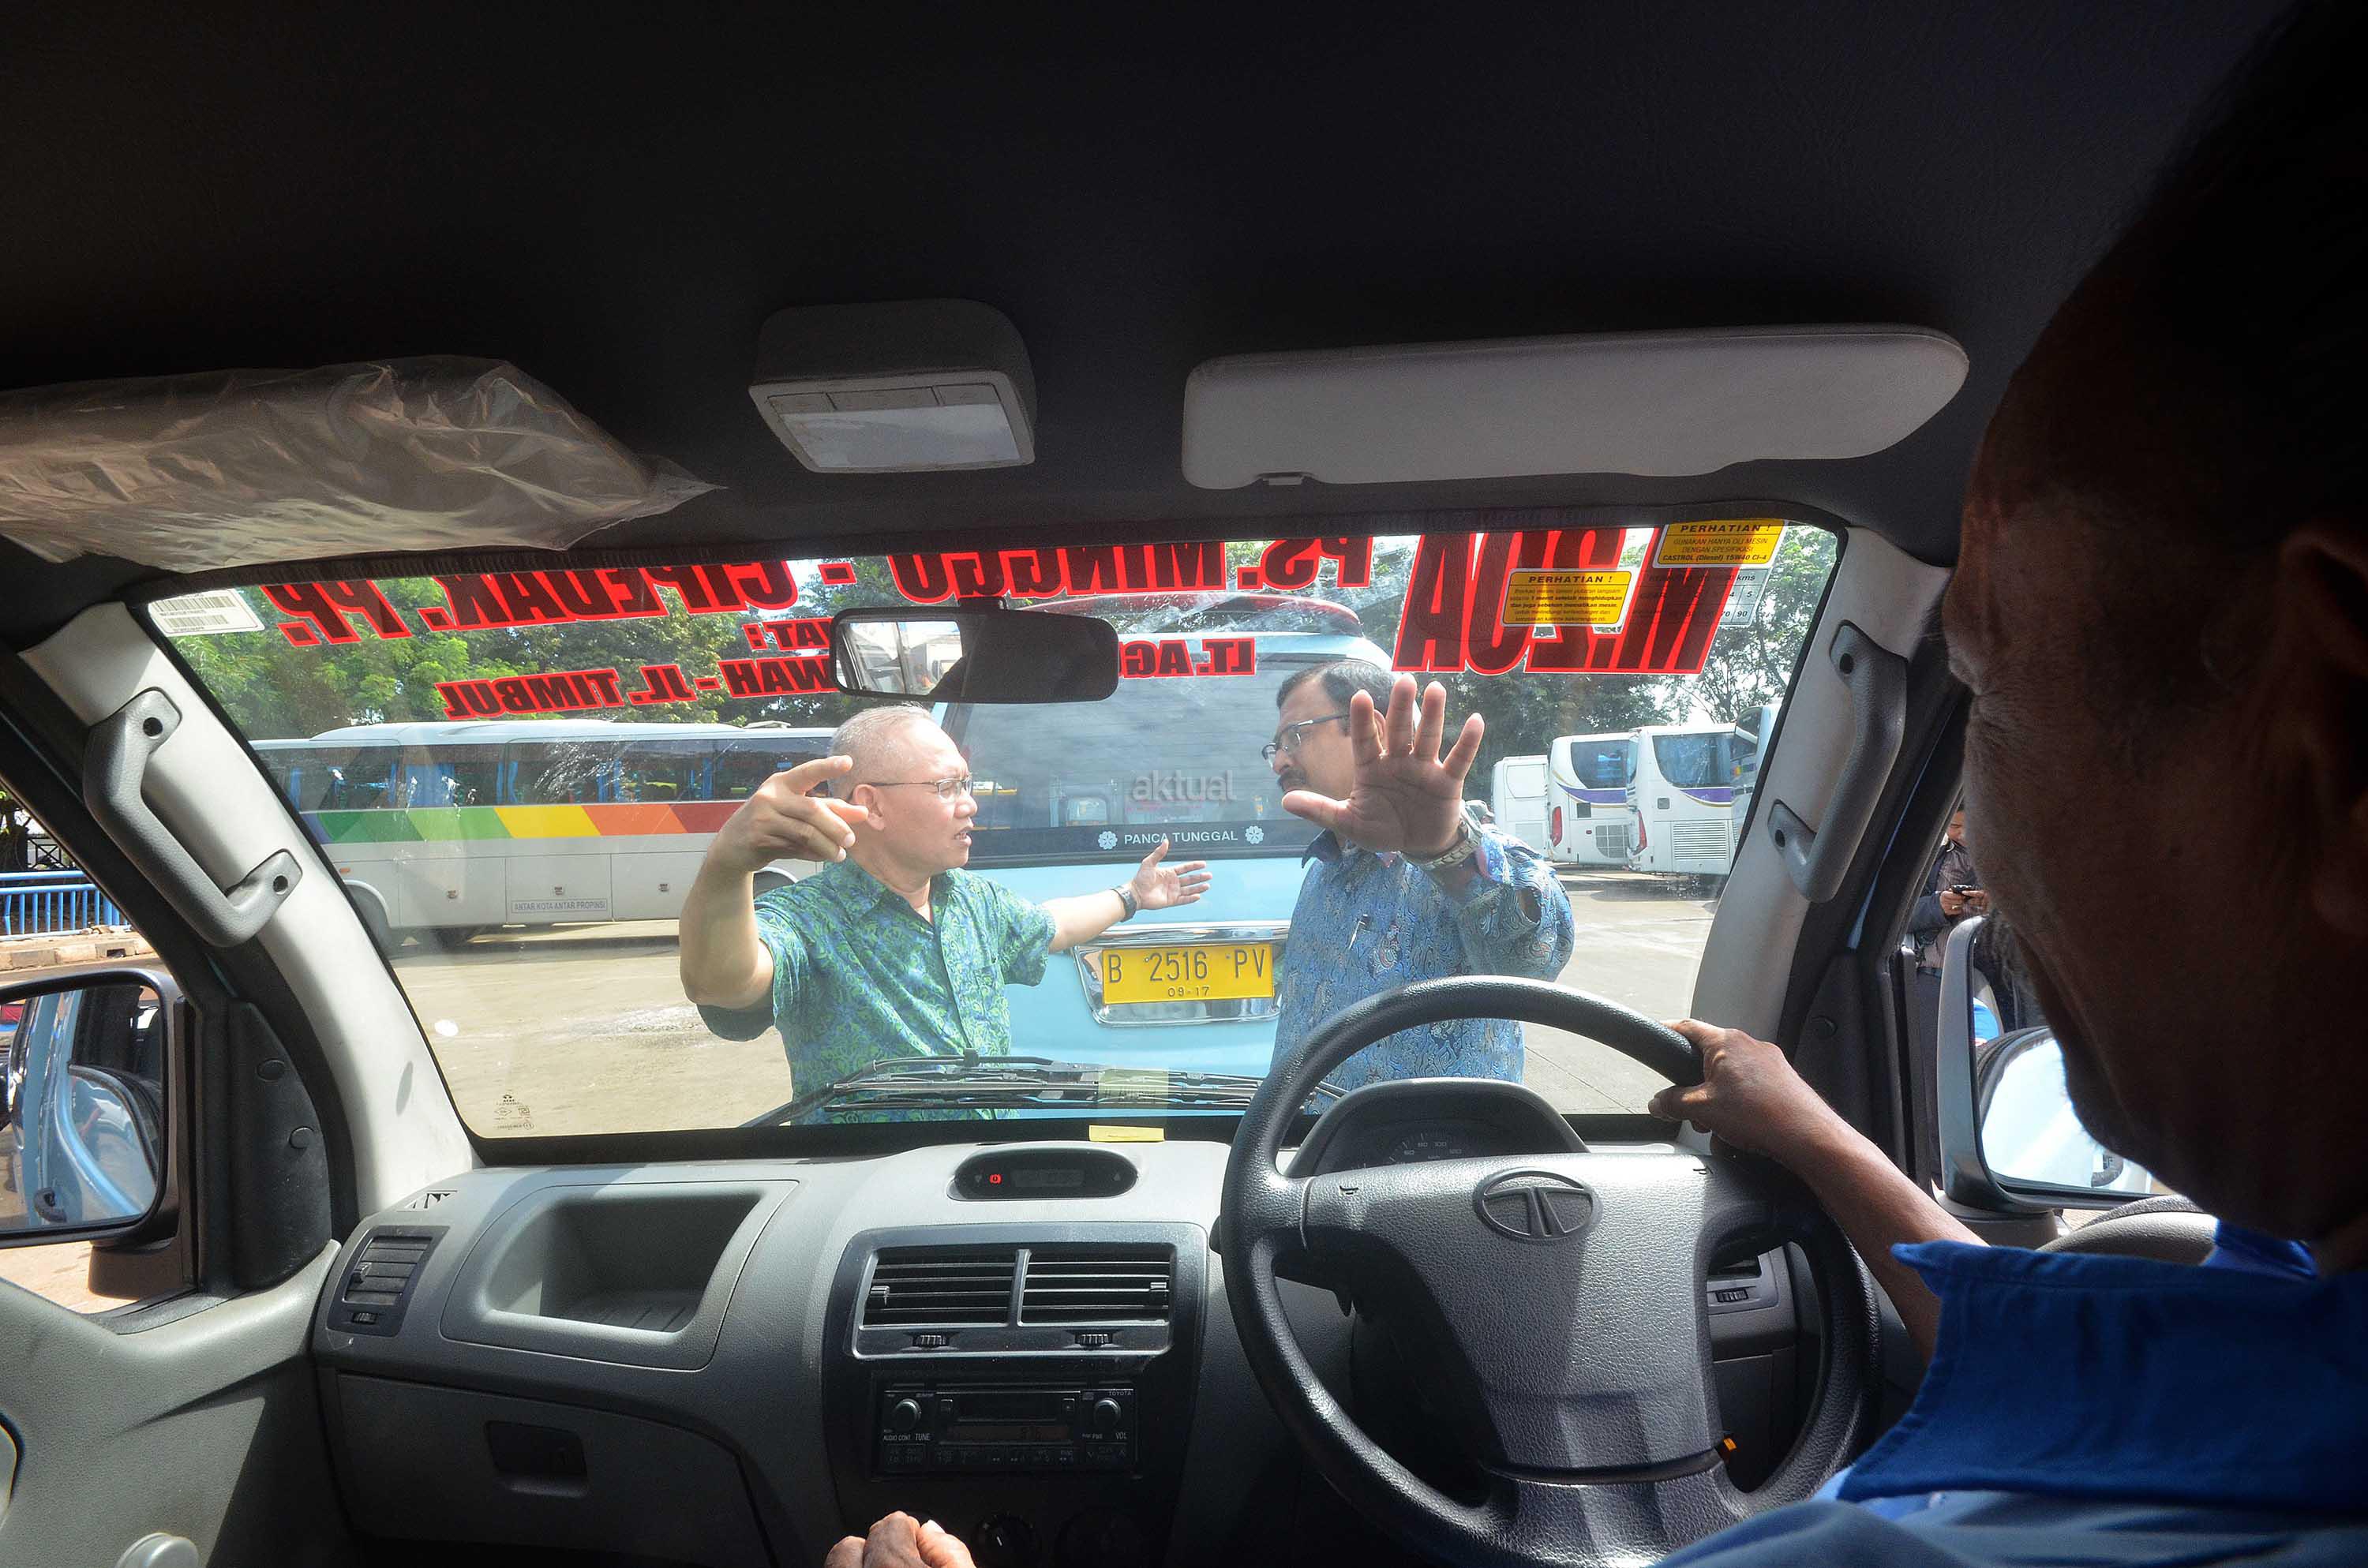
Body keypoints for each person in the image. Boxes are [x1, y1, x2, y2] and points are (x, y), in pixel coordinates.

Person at [830, 0, 2368, 1559]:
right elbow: (2119, 1360)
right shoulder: (2296, 1311)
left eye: (1992, 688)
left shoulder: (1449, 853)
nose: (1972, 841)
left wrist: (1446, 843)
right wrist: (1818, 1137)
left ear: (2333, 733)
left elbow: (1537, 939)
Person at [679, 705, 1211, 1097]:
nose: (971, 804)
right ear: (871, 806)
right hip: (867, 1184)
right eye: (947, 787)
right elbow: (722, 983)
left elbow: (1053, 926)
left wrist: (1131, 896)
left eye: (968, 784)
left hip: (983, 1172)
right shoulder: (809, 920)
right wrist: (728, 864)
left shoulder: (972, 900)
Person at [1264, 661, 1575, 1089]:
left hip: (1438, 1133)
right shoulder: (1322, 872)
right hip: (1308, 1129)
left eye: (1294, 737)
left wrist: (1447, 852)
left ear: (1370, 729)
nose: (1280, 761)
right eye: (1275, 747)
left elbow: (1533, 964)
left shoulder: (1462, 855)